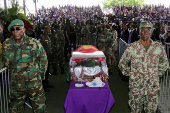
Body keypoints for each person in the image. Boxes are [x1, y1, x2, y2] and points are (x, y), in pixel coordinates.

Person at [118, 21, 169, 113]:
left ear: (151, 32)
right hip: (136, 88)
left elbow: (164, 63)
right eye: (143, 30)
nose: (145, 32)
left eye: (148, 30)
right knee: (135, 110)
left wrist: (157, 74)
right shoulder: (132, 47)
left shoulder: (158, 47)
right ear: (139, 32)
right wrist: (131, 74)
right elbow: (122, 63)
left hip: (152, 88)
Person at [2, 19, 48, 113]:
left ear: (24, 29)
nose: (15, 32)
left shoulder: (34, 43)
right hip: (16, 86)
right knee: (15, 110)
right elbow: (6, 63)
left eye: (18, 29)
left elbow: (43, 61)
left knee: (40, 110)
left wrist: (39, 77)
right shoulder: (6, 45)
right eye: (13, 29)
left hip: (34, 85)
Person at [38, 22, 54, 92]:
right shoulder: (42, 37)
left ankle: (47, 84)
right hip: (44, 57)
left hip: (48, 56)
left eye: (50, 28)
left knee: (47, 71)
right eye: (48, 28)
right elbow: (39, 47)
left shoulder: (47, 36)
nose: (50, 29)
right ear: (44, 29)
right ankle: (43, 86)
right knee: (44, 72)